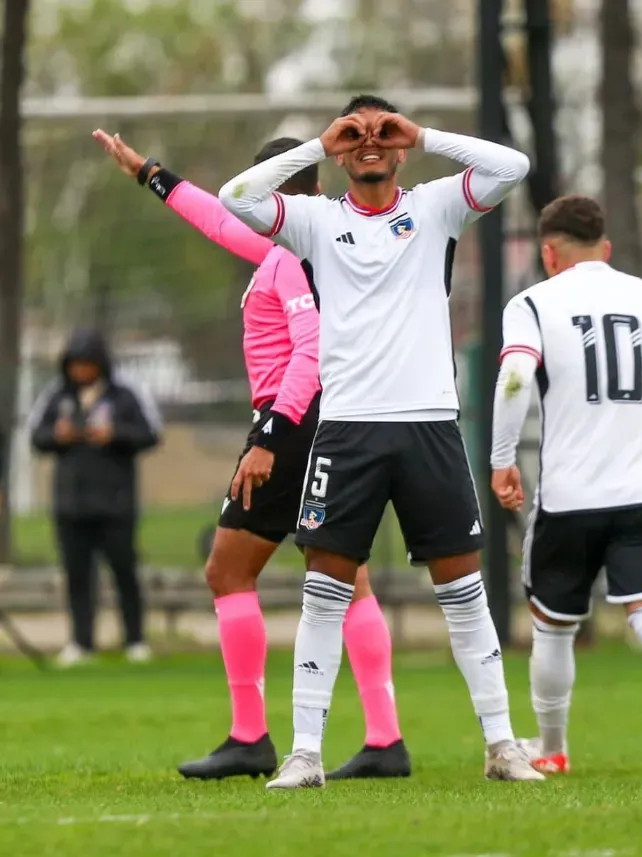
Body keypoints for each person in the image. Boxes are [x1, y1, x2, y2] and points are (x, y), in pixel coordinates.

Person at [219, 94, 543, 788]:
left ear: (398, 148)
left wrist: (421, 133)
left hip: (428, 426)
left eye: (381, 135)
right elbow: (235, 197)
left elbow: (512, 165)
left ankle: (501, 744)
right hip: (347, 430)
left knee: (463, 591)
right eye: (357, 136)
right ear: (341, 150)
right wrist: (319, 142)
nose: (370, 144)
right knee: (323, 592)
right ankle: (305, 752)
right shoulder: (313, 220)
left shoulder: (434, 207)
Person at [92, 129, 410, 781]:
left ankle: (250, 735)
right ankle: (384, 739)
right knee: (344, 575)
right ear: (314, 188)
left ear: (261, 194)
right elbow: (215, 219)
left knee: (227, 569)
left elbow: (309, 350)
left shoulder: (291, 258)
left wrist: (268, 436)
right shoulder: (301, 246)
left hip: (293, 425)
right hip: (336, 421)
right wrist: (149, 172)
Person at [489, 195, 642, 775]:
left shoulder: (533, 301)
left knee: (554, 628)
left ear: (548, 252)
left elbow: (513, 379)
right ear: (605, 249)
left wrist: (501, 458)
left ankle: (554, 748)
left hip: (569, 497)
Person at [28, 329, 161, 666]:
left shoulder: (124, 396)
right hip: (70, 504)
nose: (81, 371)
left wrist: (115, 435)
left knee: (123, 570)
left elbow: (149, 433)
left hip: (115, 504)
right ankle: (81, 643)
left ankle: (135, 640)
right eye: (75, 364)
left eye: (87, 364)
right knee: (76, 575)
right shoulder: (57, 396)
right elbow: (37, 436)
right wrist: (59, 436)